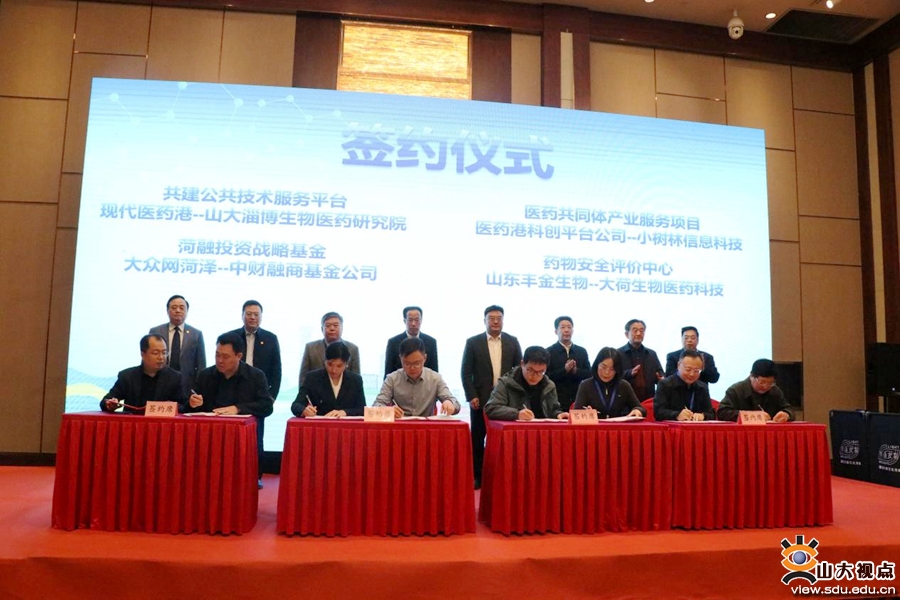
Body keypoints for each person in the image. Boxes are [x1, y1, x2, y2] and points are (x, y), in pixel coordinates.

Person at [461, 305, 522, 489]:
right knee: (478, 439)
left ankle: (502, 477)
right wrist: (471, 395)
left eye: (499, 318)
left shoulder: (512, 341)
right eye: (491, 318)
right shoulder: (473, 342)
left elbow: (519, 371)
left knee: (504, 439)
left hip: (506, 400)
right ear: (485, 321)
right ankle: (477, 476)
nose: (495, 321)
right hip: (480, 399)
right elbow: (466, 372)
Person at [226, 300, 282, 482]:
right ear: (242, 315)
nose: (252, 317)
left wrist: (271, 397)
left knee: (257, 437)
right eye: (248, 314)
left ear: (261, 317)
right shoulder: (232, 337)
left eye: (256, 314)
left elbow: (276, 370)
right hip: (234, 393)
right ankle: (232, 473)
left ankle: (256, 475)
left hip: (258, 394)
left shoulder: (270, 338)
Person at [187, 332, 274, 417]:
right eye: (217, 355)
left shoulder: (255, 376)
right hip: (212, 425)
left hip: (240, 426)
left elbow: (266, 406)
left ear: (239, 356)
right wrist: (192, 403)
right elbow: (189, 406)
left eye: (225, 357)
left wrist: (238, 408)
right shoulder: (205, 375)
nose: (220, 360)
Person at [375, 337, 459, 418]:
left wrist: (449, 403)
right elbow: (377, 405)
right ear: (400, 359)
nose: (412, 368)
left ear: (425, 358)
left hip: (426, 426)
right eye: (407, 363)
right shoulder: (392, 379)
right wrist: (387, 411)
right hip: (400, 425)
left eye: (416, 363)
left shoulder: (435, 379)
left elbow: (455, 404)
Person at [101, 334, 185, 413]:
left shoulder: (174, 377)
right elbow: (106, 401)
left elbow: (183, 407)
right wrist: (110, 404)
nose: (161, 357)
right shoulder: (127, 376)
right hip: (133, 422)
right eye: (156, 353)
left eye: (164, 353)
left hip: (162, 422)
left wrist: (171, 406)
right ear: (143, 354)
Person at [484, 346, 568, 421]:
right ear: (522, 364)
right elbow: (491, 408)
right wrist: (517, 414)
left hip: (543, 430)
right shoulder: (506, 383)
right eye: (530, 370)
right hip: (517, 431)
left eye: (541, 372)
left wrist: (559, 414)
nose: (534, 376)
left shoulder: (549, 386)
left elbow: (553, 409)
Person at [150, 295, 206, 396]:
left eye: (182, 307)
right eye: (174, 307)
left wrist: (198, 389)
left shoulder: (196, 334)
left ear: (187, 311)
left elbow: (201, 364)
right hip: (159, 383)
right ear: (167, 311)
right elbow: (148, 358)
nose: (178, 310)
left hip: (187, 385)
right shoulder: (156, 331)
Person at [292, 341, 366, 418]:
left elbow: (362, 409)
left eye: (339, 366)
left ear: (346, 364)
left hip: (346, 424)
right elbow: (296, 405)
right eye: (330, 364)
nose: (334, 370)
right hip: (320, 423)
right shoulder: (312, 378)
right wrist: (304, 410)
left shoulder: (355, 380)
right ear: (325, 361)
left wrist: (345, 412)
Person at [573, 347, 645, 419]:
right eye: (603, 367)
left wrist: (637, 410)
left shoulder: (624, 385)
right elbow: (576, 413)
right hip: (594, 425)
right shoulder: (585, 385)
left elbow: (640, 408)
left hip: (618, 425)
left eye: (612, 369)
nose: (607, 372)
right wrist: (586, 413)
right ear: (597, 364)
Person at [717, 359, 794, 423]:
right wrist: (752, 416)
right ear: (751, 376)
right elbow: (722, 413)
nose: (765, 386)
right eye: (762, 382)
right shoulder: (735, 391)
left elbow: (789, 409)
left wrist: (786, 414)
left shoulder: (775, 391)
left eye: (770, 383)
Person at [299, 311, 360, 385]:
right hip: (315, 391)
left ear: (342, 328)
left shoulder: (353, 349)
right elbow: (303, 378)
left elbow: (356, 380)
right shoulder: (310, 348)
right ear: (322, 329)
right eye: (328, 325)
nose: (332, 328)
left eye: (336, 325)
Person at [653, 349, 715, 421]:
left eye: (696, 370)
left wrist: (703, 416)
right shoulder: (665, 385)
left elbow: (711, 413)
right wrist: (677, 415)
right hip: (672, 427)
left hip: (696, 427)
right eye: (688, 369)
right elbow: (658, 412)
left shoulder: (702, 387)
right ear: (678, 365)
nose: (692, 374)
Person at [546, 316, 591, 408]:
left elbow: (589, 374)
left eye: (569, 327)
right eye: (562, 327)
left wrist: (576, 371)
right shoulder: (549, 352)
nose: (566, 330)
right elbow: (547, 377)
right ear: (556, 331)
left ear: (573, 331)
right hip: (557, 398)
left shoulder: (581, 351)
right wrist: (564, 370)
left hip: (578, 397)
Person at [384, 306, 438, 378]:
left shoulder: (431, 342)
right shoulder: (393, 342)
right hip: (399, 383)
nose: (413, 324)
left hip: (425, 383)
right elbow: (388, 372)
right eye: (410, 320)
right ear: (404, 321)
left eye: (417, 320)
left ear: (421, 321)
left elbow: (434, 371)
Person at [618, 319, 664, 400]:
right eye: (635, 330)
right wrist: (630, 373)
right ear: (626, 334)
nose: (639, 333)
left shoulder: (651, 354)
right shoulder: (618, 353)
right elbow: (613, 377)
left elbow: (660, 372)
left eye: (641, 331)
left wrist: (661, 378)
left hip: (648, 399)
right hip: (625, 400)